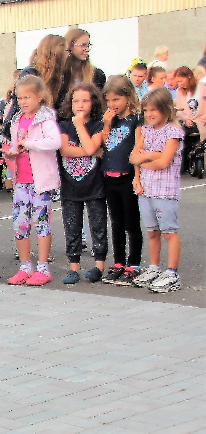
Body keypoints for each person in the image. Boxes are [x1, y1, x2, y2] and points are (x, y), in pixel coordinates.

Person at [2, 75, 61, 286]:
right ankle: (25, 266)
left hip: (41, 182)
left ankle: (43, 267)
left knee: (42, 223)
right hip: (21, 180)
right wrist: (11, 152)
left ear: (40, 96)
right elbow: (18, 145)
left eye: (28, 96)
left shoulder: (46, 118)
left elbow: (55, 142)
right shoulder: (17, 118)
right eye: (19, 97)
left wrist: (31, 143)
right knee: (20, 223)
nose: (23, 101)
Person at [131, 88, 184, 293]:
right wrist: (148, 159)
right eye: (146, 110)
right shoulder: (145, 130)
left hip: (165, 190)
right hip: (146, 189)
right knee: (152, 231)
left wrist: (147, 157)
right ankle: (154, 267)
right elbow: (134, 157)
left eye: (154, 109)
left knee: (169, 232)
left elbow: (164, 162)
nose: (149, 114)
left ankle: (172, 272)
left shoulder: (173, 132)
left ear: (165, 109)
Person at [57, 82, 108, 285]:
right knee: (72, 225)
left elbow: (91, 146)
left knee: (98, 225)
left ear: (93, 102)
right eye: (76, 100)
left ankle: (99, 264)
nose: (80, 104)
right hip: (70, 185)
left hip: (95, 184)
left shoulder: (97, 125)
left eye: (85, 100)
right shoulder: (63, 125)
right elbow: (65, 150)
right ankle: (74, 266)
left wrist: (81, 128)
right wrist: (90, 150)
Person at [100, 76, 144, 287]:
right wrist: (107, 124)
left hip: (127, 177)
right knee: (116, 222)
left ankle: (133, 263)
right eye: (109, 100)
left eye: (116, 99)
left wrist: (137, 176)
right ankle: (118, 261)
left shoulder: (136, 119)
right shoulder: (110, 120)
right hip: (109, 177)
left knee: (131, 222)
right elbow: (103, 145)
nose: (112, 105)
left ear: (128, 96)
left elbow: (137, 147)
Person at [173, 66, 201, 171]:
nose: (179, 84)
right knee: (179, 132)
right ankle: (183, 162)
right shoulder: (180, 92)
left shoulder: (201, 89)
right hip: (188, 121)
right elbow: (180, 111)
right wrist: (185, 118)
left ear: (189, 77)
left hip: (201, 120)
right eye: (178, 81)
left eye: (181, 81)